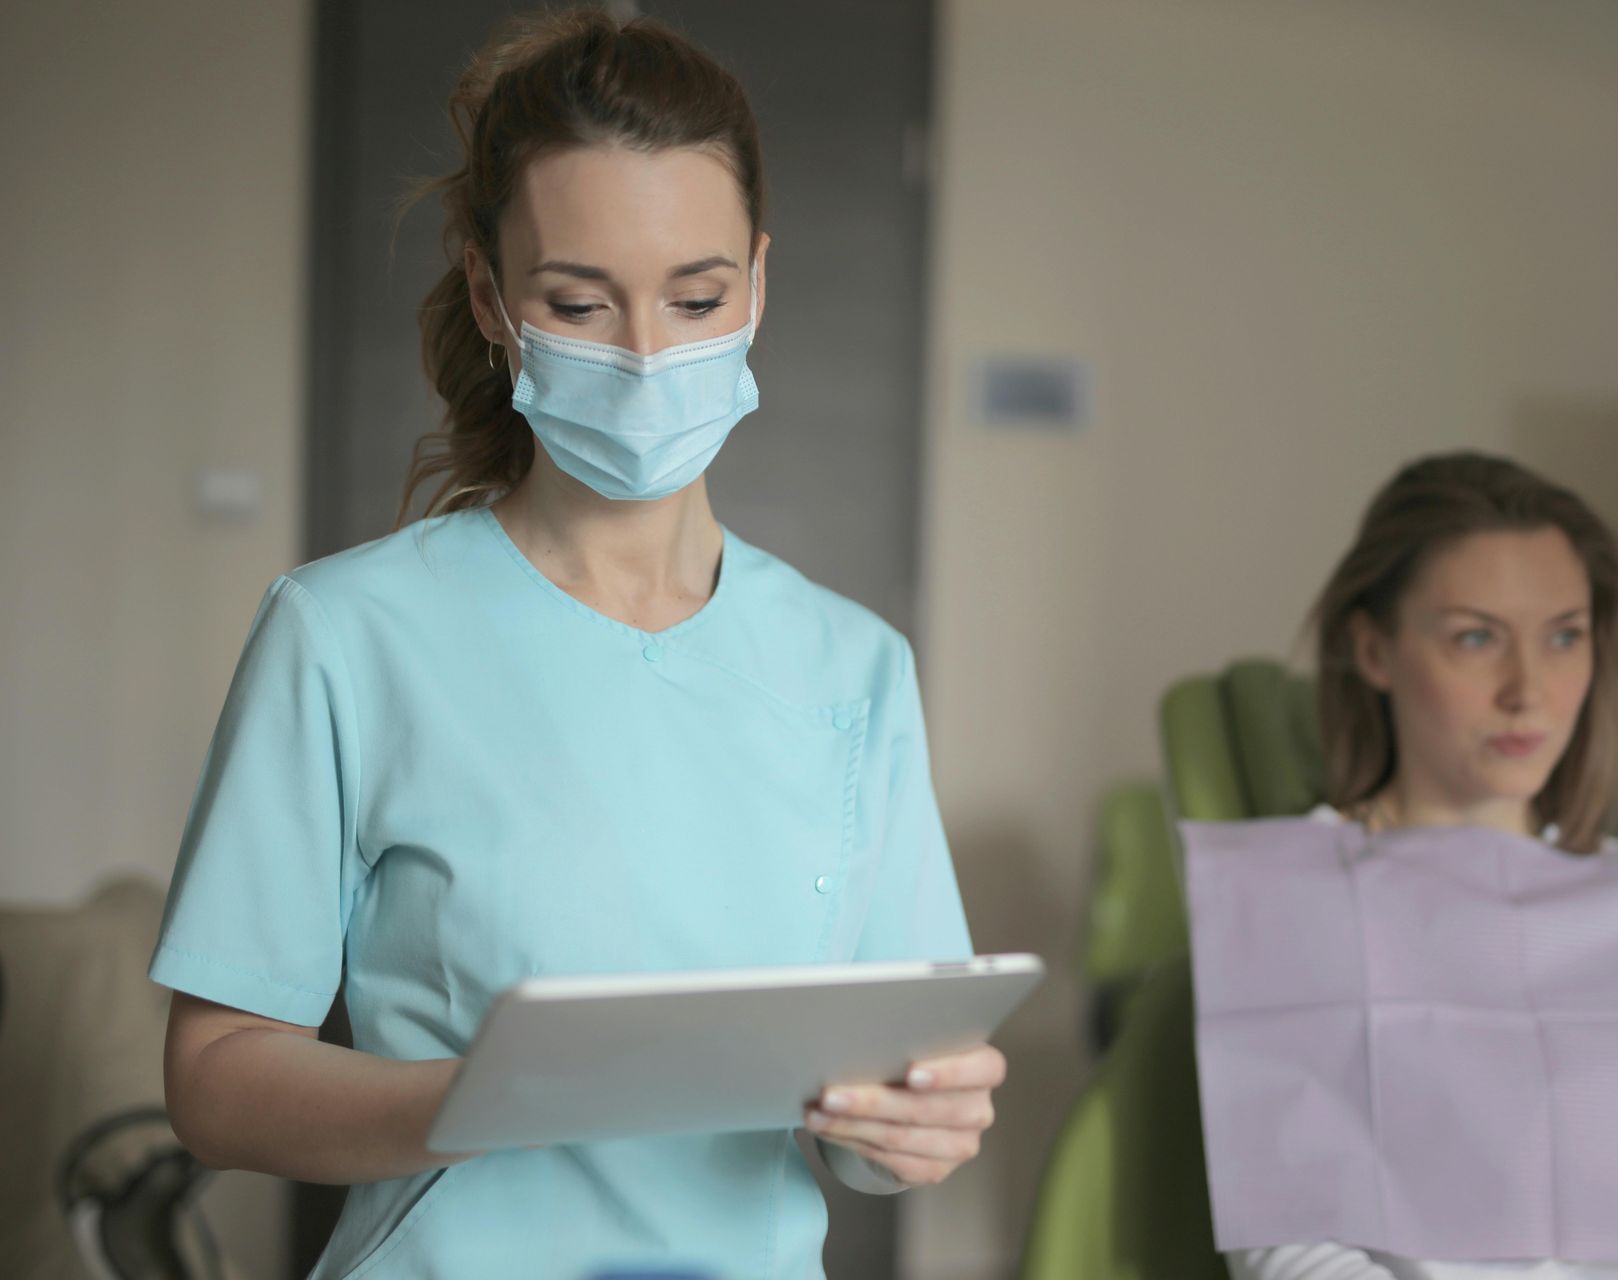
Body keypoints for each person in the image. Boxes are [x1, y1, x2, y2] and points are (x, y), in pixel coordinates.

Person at [149, 10, 1002, 1277]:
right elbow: (216, 1079)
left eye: (697, 295)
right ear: (495, 298)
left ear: (758, 282)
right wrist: (489, 1098)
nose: (650, 355)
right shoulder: (346, 635)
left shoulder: (853, 667)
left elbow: (882, 1106)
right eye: (581, 300)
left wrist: (917, 1125)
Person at [1205, 452, 1618, 1280]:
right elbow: (1301, 1256)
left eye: (1564, 636)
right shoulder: (1286, 905)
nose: (1530, 691)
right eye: (1476, 638)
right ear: (1374, 649)